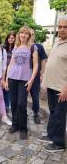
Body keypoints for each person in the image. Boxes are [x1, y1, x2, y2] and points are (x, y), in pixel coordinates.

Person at [37, 16, 67, 152]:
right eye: (60, 27)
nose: (62, 29)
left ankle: (59, 143)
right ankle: (51, 135)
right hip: (51, 84)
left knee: (59, 116)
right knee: (53, 112)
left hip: (62, 88)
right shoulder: (57, 41)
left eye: (65, 27)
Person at [5, 26, 38, 140]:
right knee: (13, 103)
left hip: (25, 80)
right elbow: (11, 64)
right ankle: (15, 124)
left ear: (29, 35)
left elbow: (36, 65)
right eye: (21, 33)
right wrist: (7, 79)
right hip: (13, 78)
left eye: (25, 33)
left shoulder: (33, 47)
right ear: (19, 35)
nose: (23, 35)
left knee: (21, 104)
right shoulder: (16, 46)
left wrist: (31, 80)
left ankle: (23, 128)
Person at [30, 28, 47, 124]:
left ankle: (35, 113)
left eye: (33, 34)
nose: (31, 36)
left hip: (36, 75)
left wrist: (42, 74)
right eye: (30, 34)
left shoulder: (39, 46)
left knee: (35, 95)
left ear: (34, 36)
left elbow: (43, 60)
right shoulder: (24, 46)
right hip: (24, 76)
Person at [3, 32, 16, 113]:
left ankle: (10, 105)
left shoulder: (17, 48)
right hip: (4, 70)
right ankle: (5, 105)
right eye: (9, 38)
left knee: (11, 89)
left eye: (12, 38)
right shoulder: (3, 48)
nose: (11, 39)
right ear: (7, 39)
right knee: (4, 88)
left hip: (13, 71)